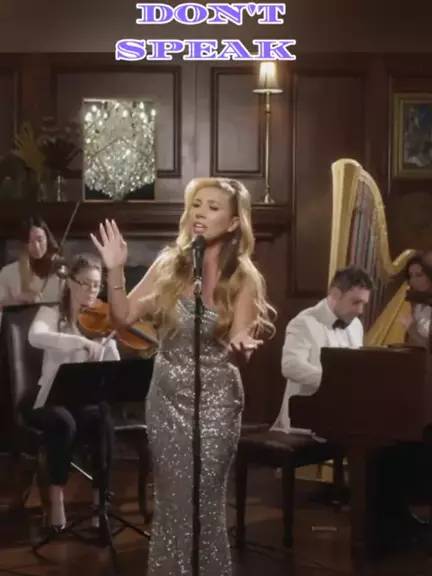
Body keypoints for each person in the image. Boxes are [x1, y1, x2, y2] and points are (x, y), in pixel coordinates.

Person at [90, 177, 276, 576]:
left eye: (212, 207)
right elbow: (122, 317)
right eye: (196, 205)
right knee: (173, 502)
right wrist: (115, 268)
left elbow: (241, 344)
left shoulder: (242, 277)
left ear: (233, 222)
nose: (200, 214)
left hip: (216, 403)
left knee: (204, 504)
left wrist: (241, 346)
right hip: (166, 399)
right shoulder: (169, 265)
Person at [25, 253, 120, 531]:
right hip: (49, 397)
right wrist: (78, 341)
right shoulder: (52, 314)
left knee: (103, 420)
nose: (92, 290)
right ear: (71, 282)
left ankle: (99, 503)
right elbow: (35, 336)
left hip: (82, 400)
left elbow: (113, 369)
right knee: (63, 423)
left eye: (97, 285)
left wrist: (109, 347)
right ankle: (56, 501)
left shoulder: (100, 322)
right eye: (86, 283)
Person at [271, 266, 372, 434]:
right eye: (356, 302)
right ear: (335, 294)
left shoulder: (356, 325)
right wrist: (333, 380)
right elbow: (290, 366)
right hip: (304, 420)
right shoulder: (304, 322)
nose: (360, 311)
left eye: (364, 304)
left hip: (341, 416)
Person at [0, 216, 63, 325]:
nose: (36, 247)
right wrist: (18, 300)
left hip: (52, 328)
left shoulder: (60, 270)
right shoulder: (8, 272)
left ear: (47, 239)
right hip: (19, 328)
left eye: (40, 240)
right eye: (30, 241)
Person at [401, 252, 432, 347]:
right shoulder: (417, 303)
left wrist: (412, 331)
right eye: (410, 276)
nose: (412, 281)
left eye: (419, 275)